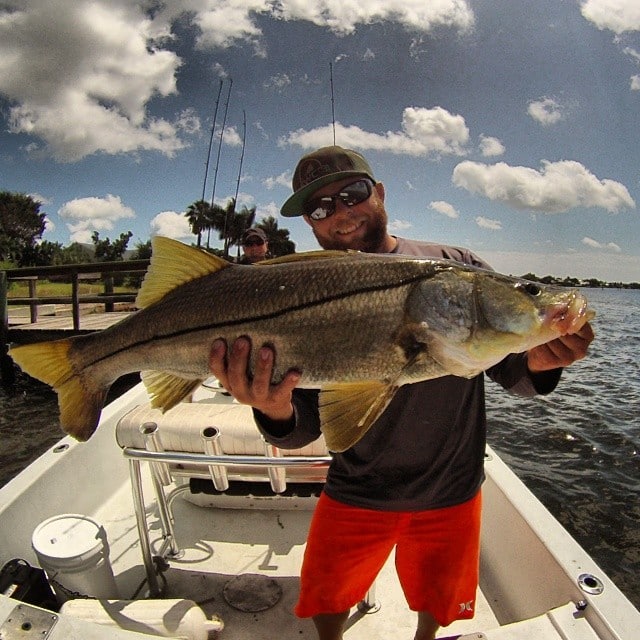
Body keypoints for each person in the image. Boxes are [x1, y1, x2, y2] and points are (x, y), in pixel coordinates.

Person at [209, 146, 594, 640]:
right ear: (309, 223)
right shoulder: (292, 289)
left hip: (451, 490)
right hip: (355, 488)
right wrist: (274, 407)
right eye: (320, 208)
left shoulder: (457, 266)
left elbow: (514, 371)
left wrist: (540, 361)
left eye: (352, 194)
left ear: (380, 192)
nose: (340, 213)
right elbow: (303, 426)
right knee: (327, 597)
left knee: (436, 601)